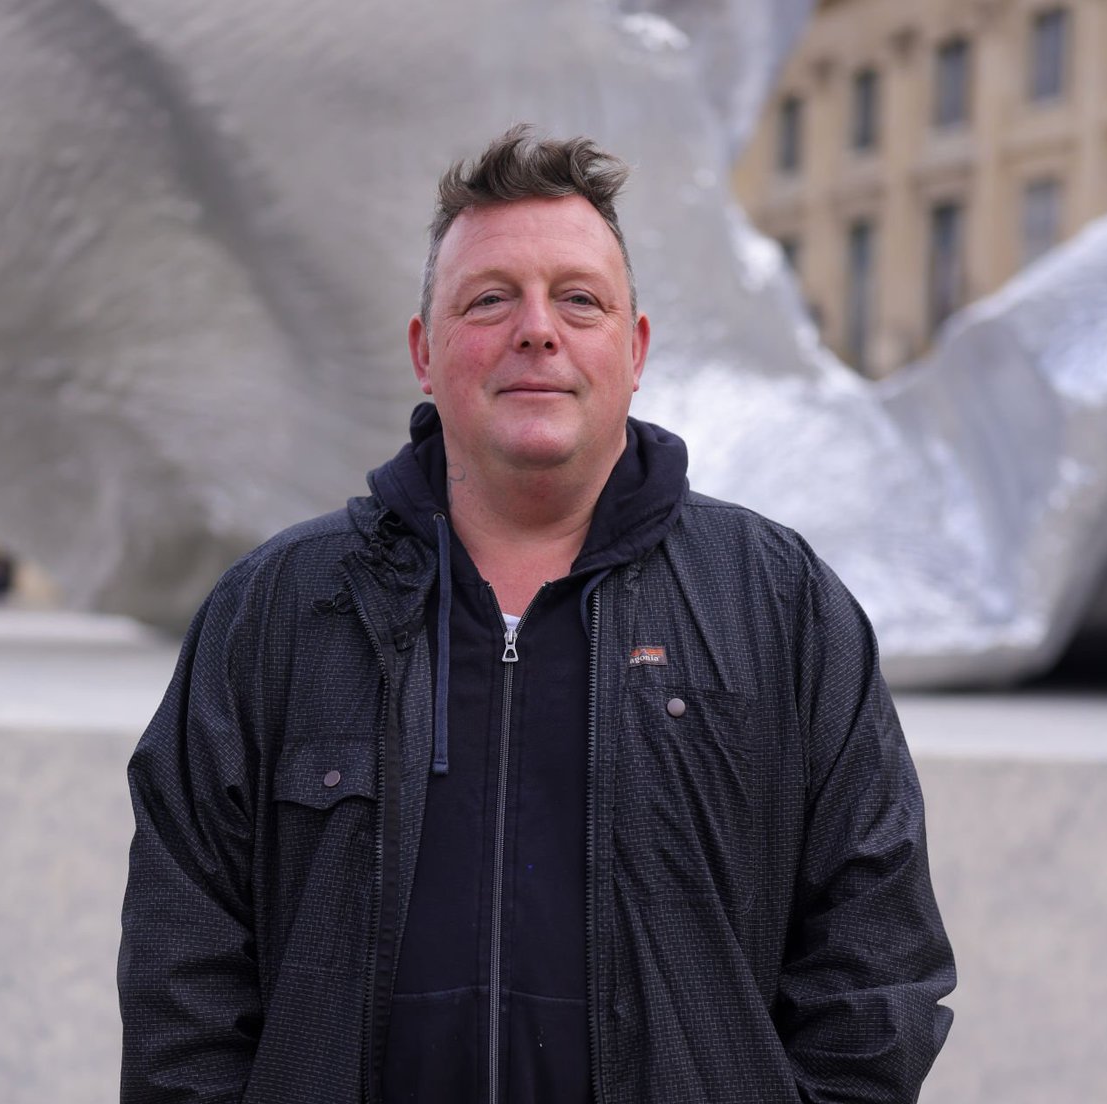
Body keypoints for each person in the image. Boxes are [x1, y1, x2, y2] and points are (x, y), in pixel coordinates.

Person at [119, 124, 955, 1103]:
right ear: (425, 353)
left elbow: (878, 971)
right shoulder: (278, 613)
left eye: (579, 300)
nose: (537, 330)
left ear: (634, 350)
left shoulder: (780, 605)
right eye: (490, 300)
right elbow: (184, 982)